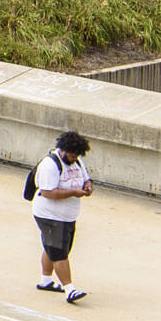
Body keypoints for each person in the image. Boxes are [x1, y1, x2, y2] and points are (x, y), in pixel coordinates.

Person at [32, 131, 96, 305]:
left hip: (68, 216)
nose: (74, 158)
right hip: (49, 215)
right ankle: (70, 289)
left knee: (55, 248)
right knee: (59, 253)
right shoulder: (49, 165)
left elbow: (86, 179)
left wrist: (87, 186)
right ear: (63, 150)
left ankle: (46, 280)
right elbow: (47, 192)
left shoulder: (78, 162)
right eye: (72, 154)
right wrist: (74, 193)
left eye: (77, 155)